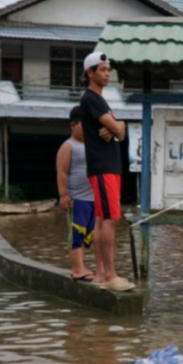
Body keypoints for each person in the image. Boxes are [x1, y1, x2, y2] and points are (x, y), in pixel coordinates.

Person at [80, 51, 135, 292]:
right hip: (103, 166)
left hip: (109, 167)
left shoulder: (101, 100)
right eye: (102, 69)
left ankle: (102, 274)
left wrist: (116, 128)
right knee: (110, 219)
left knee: (104, 219)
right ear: (90, 73)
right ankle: (110, 275)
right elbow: (119, 129)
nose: (107, 73)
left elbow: (120, 130)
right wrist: (117, 127)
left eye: (108, 69)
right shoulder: (91, 99)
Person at [56, 106, 97, 282]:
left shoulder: (93, 144)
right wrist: (64, 195)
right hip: (77, 199)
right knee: (76, 234)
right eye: (84, 124)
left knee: (93, 234)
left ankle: (92, 266)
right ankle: (77, 268)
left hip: (93, 198)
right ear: (73, 125)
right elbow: (62, 171)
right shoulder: (68, 146)